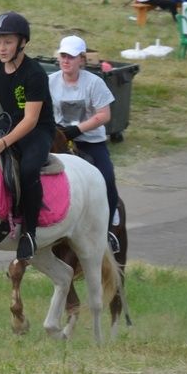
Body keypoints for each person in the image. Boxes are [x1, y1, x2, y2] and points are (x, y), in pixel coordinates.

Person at [0, 12, 55, 262]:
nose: (1, 48)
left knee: (27, 169)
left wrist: (3, 143)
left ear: (22, 43)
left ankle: (30, 233)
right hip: (9, 125)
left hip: (37, 130)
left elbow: (31, 120)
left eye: (7, 42)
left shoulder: (35, 73)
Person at [49, 35, 120, 229]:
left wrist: (77, 129)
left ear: (81, 59)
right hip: (58, 139)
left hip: (90, 141)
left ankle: (110, 222)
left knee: (107, 178)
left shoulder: (94, 83)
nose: (65, 60)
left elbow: (104, 115)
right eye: (63, 55)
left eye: (71, 57)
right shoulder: (50, 82)